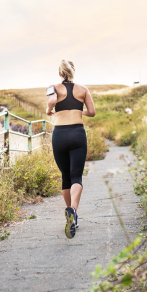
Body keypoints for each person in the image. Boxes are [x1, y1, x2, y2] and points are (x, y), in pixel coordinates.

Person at [46, 59, 96, 239]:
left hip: (59, 135)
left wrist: (49, 109)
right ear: (73, 71)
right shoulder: (83, 90)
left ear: (60, 73)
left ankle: (71, 213)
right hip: (77, 133)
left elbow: (51, 100)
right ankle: (73, 211)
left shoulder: (52, 87)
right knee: (76, 176)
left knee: (65, 177)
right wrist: (78, 110)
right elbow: (91, 112)